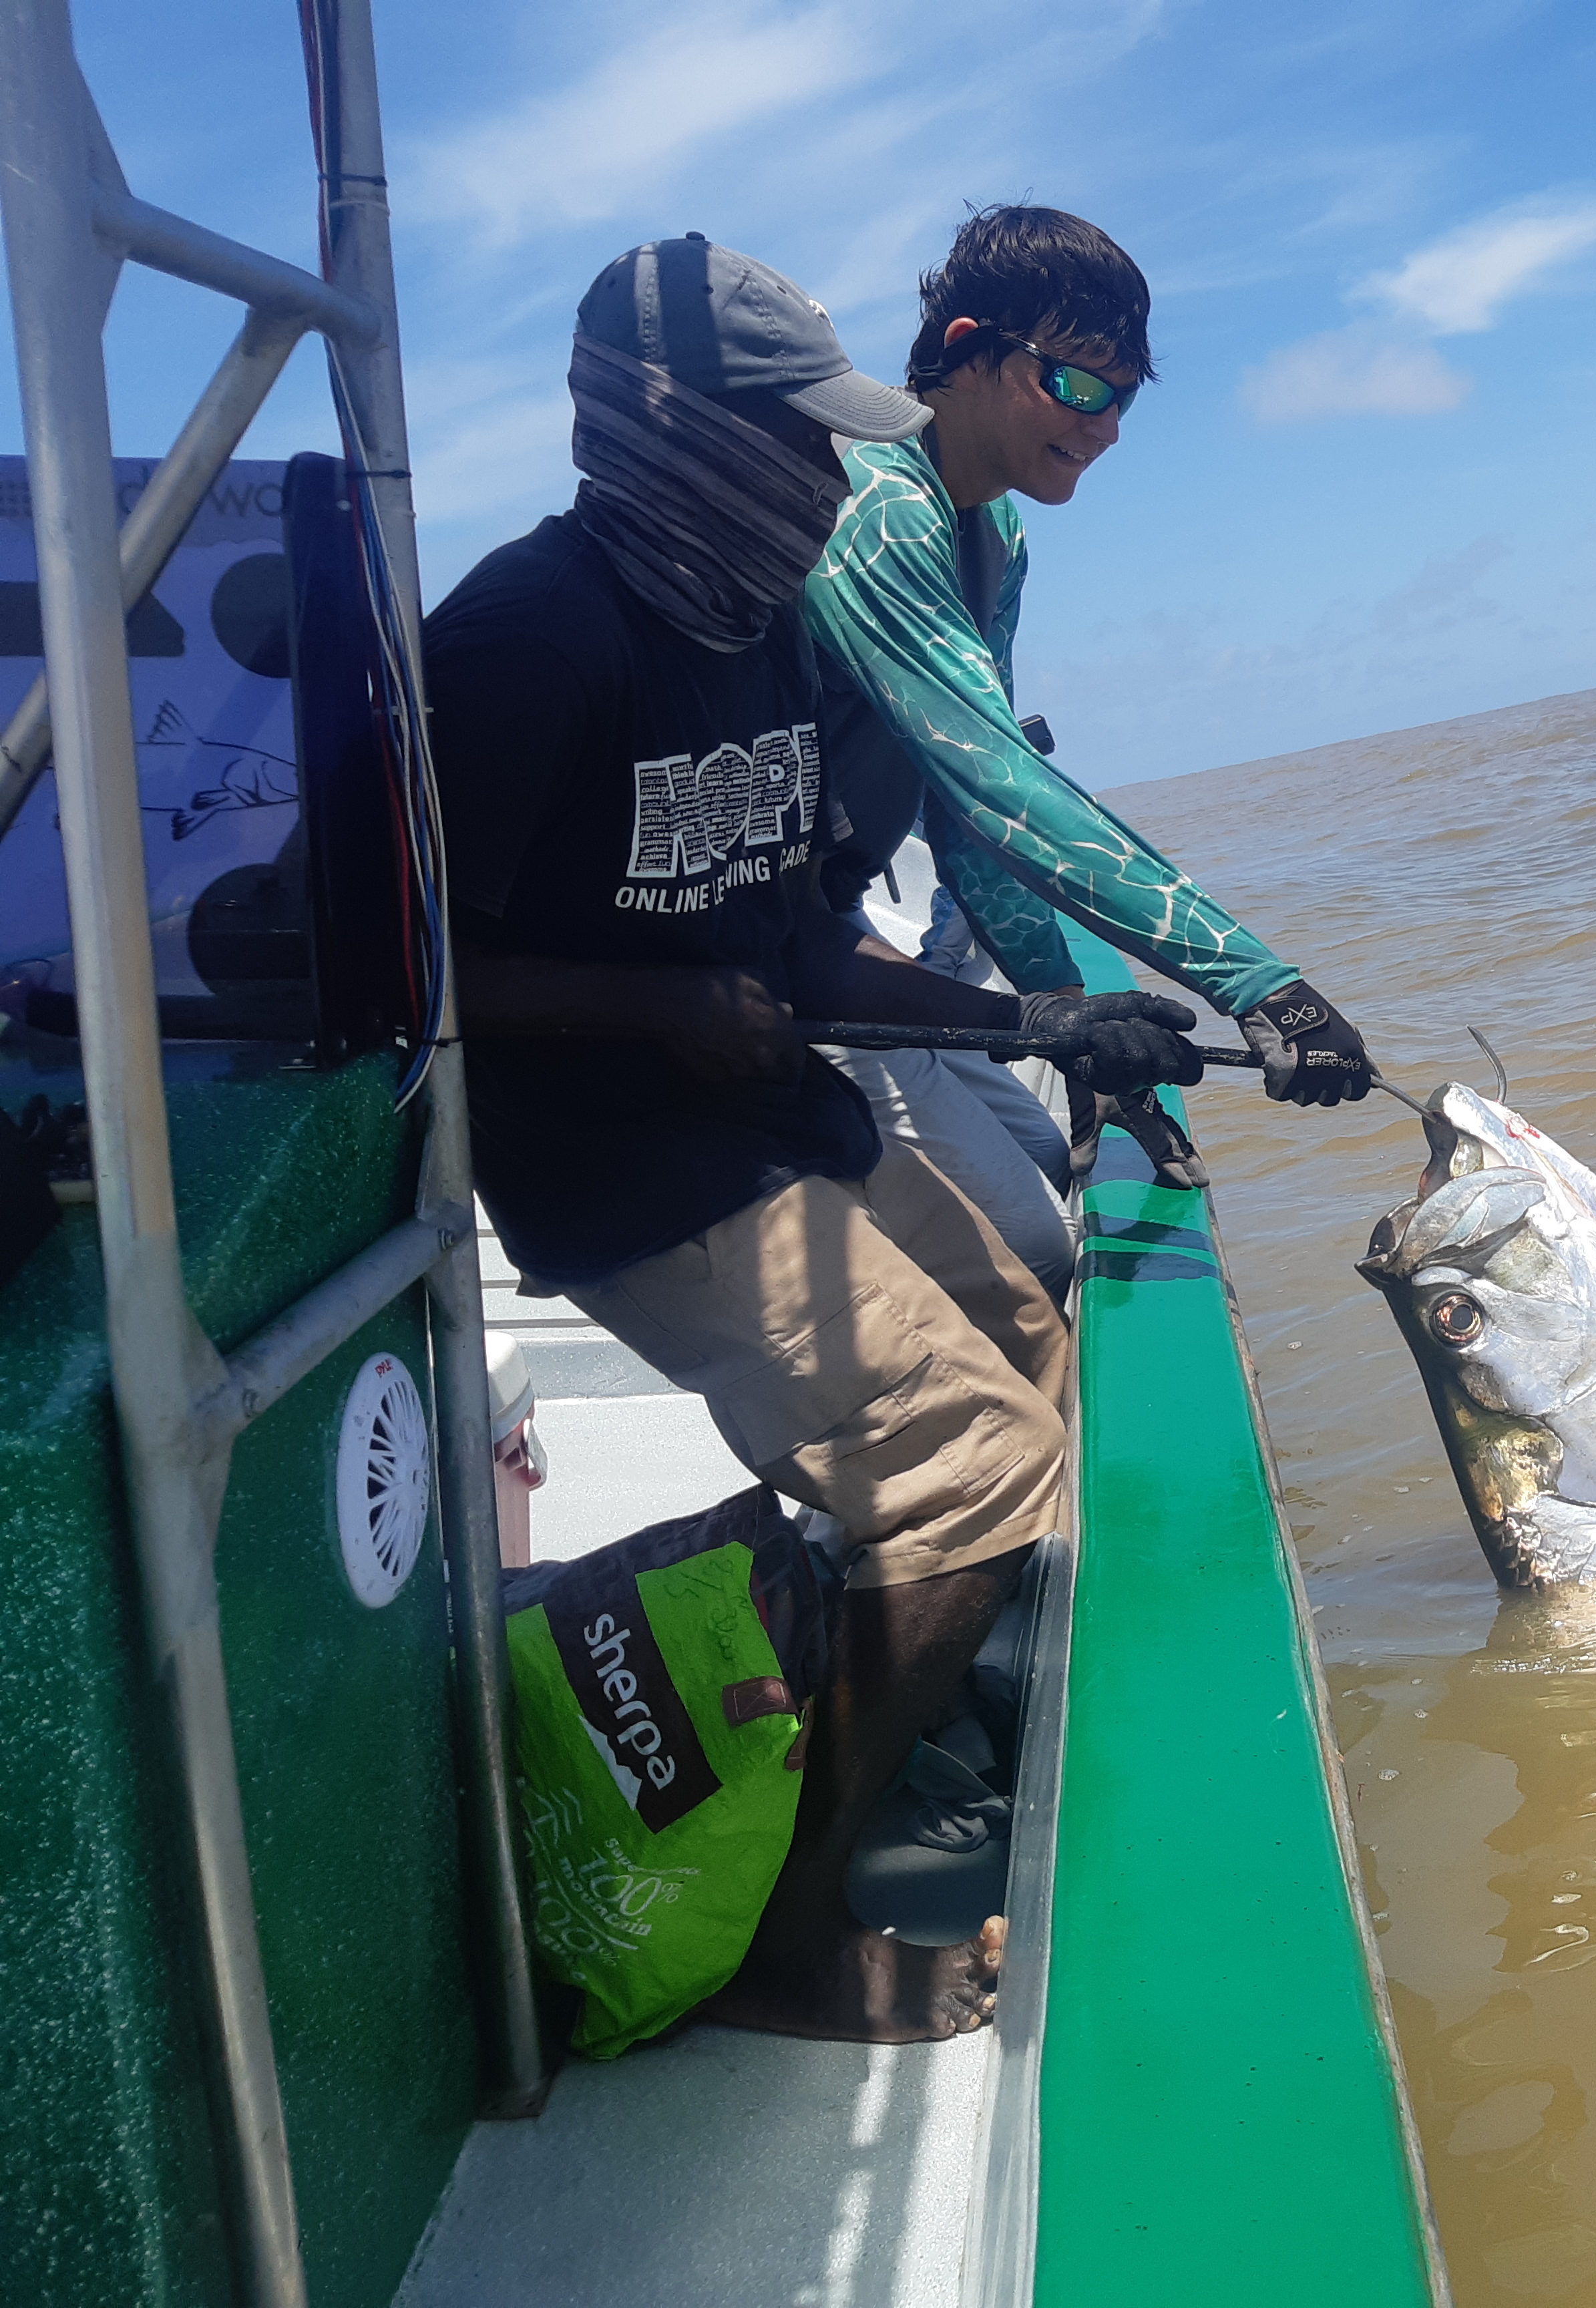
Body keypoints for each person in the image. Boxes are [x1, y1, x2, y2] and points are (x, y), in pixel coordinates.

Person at [421, 234, 1204, 2042]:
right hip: (621, 1164)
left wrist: (1044, 1019)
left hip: (777, 1103)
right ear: (673, 430)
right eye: (788, 441)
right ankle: (790, 1934)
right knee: (974, 1469)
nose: (816, 482)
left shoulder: (764, 629)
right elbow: (405, 976)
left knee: (1032, 1321)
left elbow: (798, 941)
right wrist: (653, 1010)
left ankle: (915, 1708)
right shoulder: (527, 644)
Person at [798, 204, 1376, 1238]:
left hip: (832, 933)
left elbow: (970, 816)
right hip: (755, 957)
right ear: (967, 352)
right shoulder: (878, 505)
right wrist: (1261, 985)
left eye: (1122, 399)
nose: (1104, 426)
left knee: (1033, 1164)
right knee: (1029, 1243)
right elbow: (1001, 783)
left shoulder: (995, 531)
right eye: (1074, 383)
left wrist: (1084, 1030)